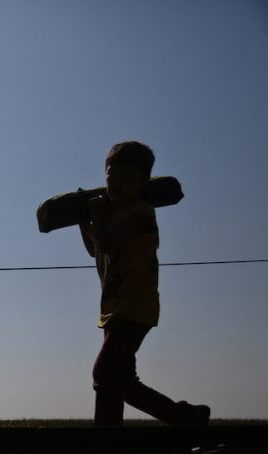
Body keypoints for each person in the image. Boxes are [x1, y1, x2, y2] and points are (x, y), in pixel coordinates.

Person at [79, 141, 209, 426]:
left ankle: (108, 447)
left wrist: (96, 216)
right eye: (111, 175)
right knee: (121, 380)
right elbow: (95, 248)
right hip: (114, 309)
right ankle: (186, 417)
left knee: (104, 375)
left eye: (127, 177)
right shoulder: (109, 214)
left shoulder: (141, 212)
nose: (117, 183)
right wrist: (83, 220)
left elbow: (109, 243)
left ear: (143, 182)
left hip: (136, 306)